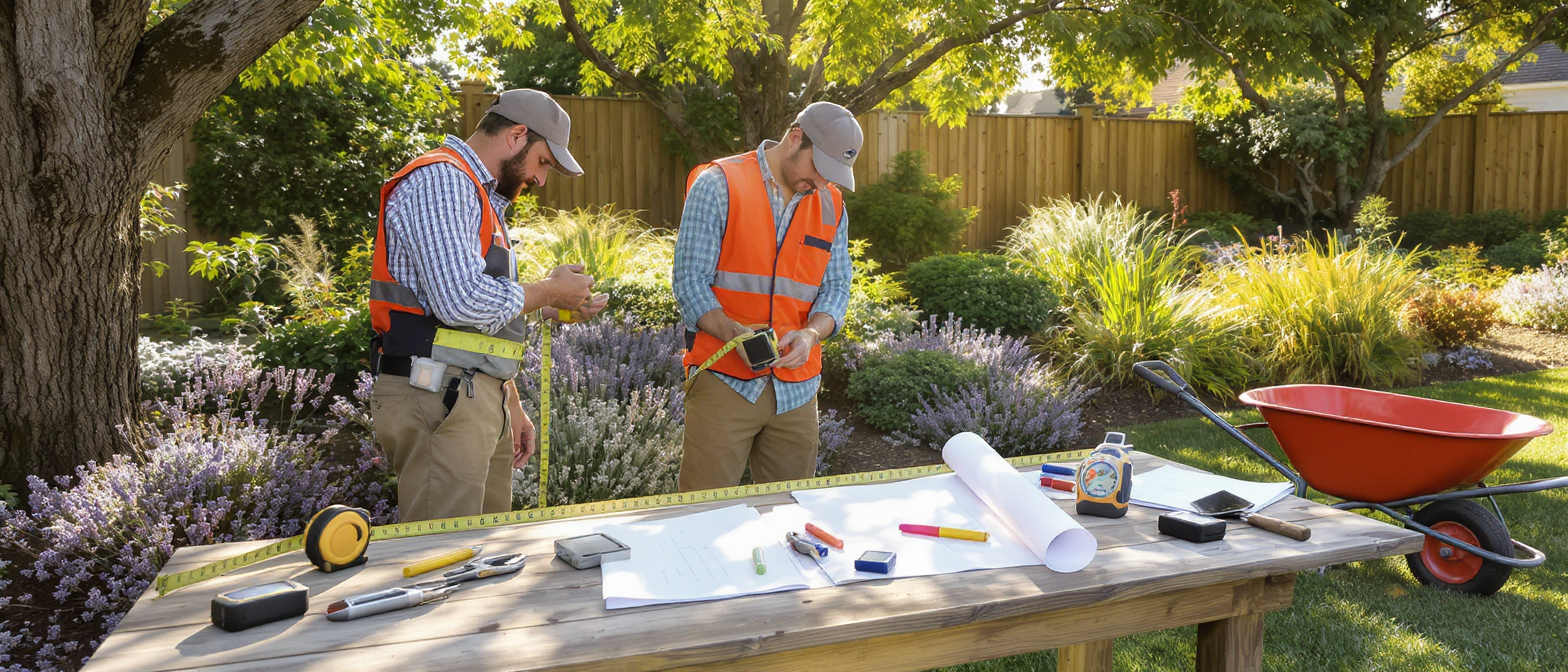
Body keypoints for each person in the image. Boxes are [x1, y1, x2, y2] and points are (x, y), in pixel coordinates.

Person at [368, 89, 609, 522]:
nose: (541, 180)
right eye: (543, 163)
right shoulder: (442, 181)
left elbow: (472, 322)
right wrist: (548, 291)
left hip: (470, 395)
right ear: (517, 135)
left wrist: (507, 401)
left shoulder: (478, 197)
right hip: (438, 396)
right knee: (436, 560)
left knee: (481, 555)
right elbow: (461, 301)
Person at [672, 102, 862, 492]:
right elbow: (689, 282)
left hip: (797, 391)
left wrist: (811, 335)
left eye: (833, 174)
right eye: (819, 169)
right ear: (796, 138)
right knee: (702, 517)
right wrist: (735, 334)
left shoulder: (832, 204)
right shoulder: (718, 184)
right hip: (724, 381)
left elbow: (837, 287)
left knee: (791, 522)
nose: (823, 183)